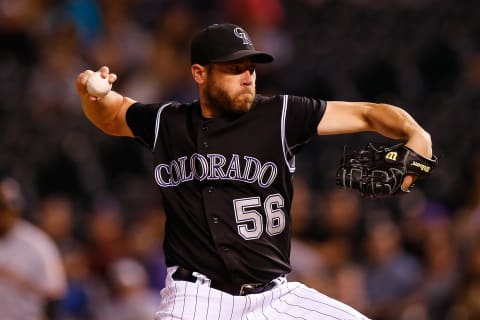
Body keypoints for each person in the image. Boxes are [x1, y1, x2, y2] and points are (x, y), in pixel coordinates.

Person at [75, 23, 433, 320]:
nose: (247, 76)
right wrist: (91, 94)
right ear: (199, 73)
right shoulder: (167, 123)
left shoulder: (280, 115)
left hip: (276, 297)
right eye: (234, 68)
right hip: (197, 299)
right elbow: (111, 115)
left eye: (250, 67)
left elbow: (369, 113)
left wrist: (418, 136)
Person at [0, 175, 67, 319]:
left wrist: (19, 281)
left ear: (16, 209)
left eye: (3, 207)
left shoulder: (38, 245)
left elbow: (54, 298)